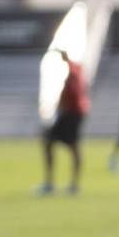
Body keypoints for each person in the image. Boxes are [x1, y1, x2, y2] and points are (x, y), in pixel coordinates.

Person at [39, 50, 90, 195]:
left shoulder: (72, 74)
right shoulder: (77, 69)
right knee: (70, 147)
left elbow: (70, 93)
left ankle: (52, 184)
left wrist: (59, 107)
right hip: (77, 112)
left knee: (52, 142)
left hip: (71, 113)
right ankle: (72, 184)